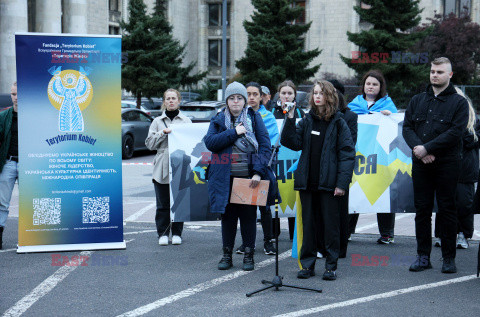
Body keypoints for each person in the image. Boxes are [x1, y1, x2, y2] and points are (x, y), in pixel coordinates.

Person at [280, 80, 355, 280]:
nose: (317, 96)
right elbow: (291, 143)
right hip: (307, 184)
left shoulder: (339, 122)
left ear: (330, 96)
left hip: (329, 186)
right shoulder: (306, 120)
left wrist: (341, 184)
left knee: (330, 227)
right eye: (315, 93)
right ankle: (307, 265)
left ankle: (331, 266)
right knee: (309, 226)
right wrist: (289, 119)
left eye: (321, 93)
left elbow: (347, 155)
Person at [402, 57, 469, 273]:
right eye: (432, 71)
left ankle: (448, 258)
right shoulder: (417, 100)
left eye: (440, 72)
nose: (434, 75)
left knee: (447, 209)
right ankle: (423, 257)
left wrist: (427, 148)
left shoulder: (459, 103)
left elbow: (455, 133)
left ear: (450, 75)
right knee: (422, 210)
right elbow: (407, 128)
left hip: (448, 164)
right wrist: (420, 151)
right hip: (421, 163)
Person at [204, 81, 272, 271]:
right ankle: (227, 255)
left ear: (244, 101)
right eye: (232, 98)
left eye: (239, 98)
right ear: (226, 101)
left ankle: (249, 255)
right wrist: (233, 132)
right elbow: (210, 142)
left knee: (249, 218)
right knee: (228, 218)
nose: (236, 102)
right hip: (225, 179)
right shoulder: (218, 119)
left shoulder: (254, 117)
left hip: (248, 179)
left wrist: (258, 172)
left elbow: (265, 147)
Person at [347, 70, 398, 244]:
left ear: (380, 87)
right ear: (363, 86)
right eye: (368, 83)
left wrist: (388, 117)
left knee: (382, 191)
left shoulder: (388, 106)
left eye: (375, 84)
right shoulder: (354, 105)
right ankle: (346, 231)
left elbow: (394, 128)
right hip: (358, 155)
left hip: (380, 157)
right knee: (354, 190)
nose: (371, 87)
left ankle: (386, 233)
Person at [235, 82, 278, 255]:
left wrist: (260, 167)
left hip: (262, 166)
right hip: (244, 166)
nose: (251, 97)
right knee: (246, 207)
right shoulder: (237, 116)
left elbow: (269, 144)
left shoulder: (268, 118)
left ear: (262, 97)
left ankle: (268, 241)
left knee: (264, 207)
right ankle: (247, 242)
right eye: (248, 94)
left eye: (255, 94)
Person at [433, 87, 479, 250]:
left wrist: (458, 128)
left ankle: (463, 235)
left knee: (465, 204)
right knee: (444, 202)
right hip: (446, 167)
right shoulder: (442, 119)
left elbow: (473, 141)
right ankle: (442, 234)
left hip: (466, 170)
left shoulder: (474, 121)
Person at [145, 88, 192, 246]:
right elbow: (149, 144)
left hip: (180, 164)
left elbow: (191, 143)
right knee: (163, 202)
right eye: (168, 98)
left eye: (174, 98)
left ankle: (177, 232)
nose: (171, 101)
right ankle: (163, 233)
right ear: (164, 102)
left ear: (179, 101)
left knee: (179, 201)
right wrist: (161, 134)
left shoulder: (186, 121)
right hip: (162, 166)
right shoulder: (157, 122)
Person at [271, 80, 305, 241]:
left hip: (293, 162)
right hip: (276, 161)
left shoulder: (300, 113)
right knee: (275, 197)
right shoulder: (272, 111)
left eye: (290, 93)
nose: (286, 96)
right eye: (283, 93)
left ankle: (294, 236)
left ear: (294, 95)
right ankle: (273, 235)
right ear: (279, 94)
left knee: (292, 196)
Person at [329, 79, 358, 259]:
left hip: (340, 169)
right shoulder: (318, 115)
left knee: (340, 209)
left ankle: (340, 247)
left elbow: (350, 145)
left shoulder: (349, 116)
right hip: (322, 169)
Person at [0, 82, 19, 250]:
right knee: (2, 202)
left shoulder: (34, 116)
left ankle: (33, 236)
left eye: (19, 94)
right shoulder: (4, 116)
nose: (16, 97)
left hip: (30, 164)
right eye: (13, 94)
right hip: (9, 162)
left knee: (31, 201)